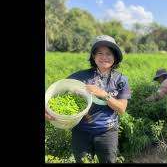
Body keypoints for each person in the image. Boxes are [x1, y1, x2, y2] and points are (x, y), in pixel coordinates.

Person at [45, 35, 131, 163]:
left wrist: (103, 94)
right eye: (100, 53)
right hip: (81, 131)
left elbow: (121, 109)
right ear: (93, 56)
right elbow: (57, 91)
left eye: (108, 53)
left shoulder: (121, 80)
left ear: (115, 57)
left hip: (107, 132)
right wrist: (47, 110)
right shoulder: (80, 76)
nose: (104, 57)